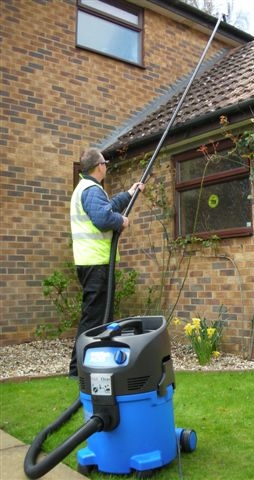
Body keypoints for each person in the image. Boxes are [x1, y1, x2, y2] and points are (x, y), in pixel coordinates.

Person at [68, 147, 144, 378]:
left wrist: (129, 194)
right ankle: (79, 369)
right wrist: (121, 221)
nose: (107, 166)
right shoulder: (91, 189)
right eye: (105, 163)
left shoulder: (89, 189)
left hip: (92, 262)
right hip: (96, 263)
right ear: (99, 166)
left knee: (99, 316)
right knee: (94, 318)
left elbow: (106, 207)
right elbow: (103, 218)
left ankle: (90, 365)